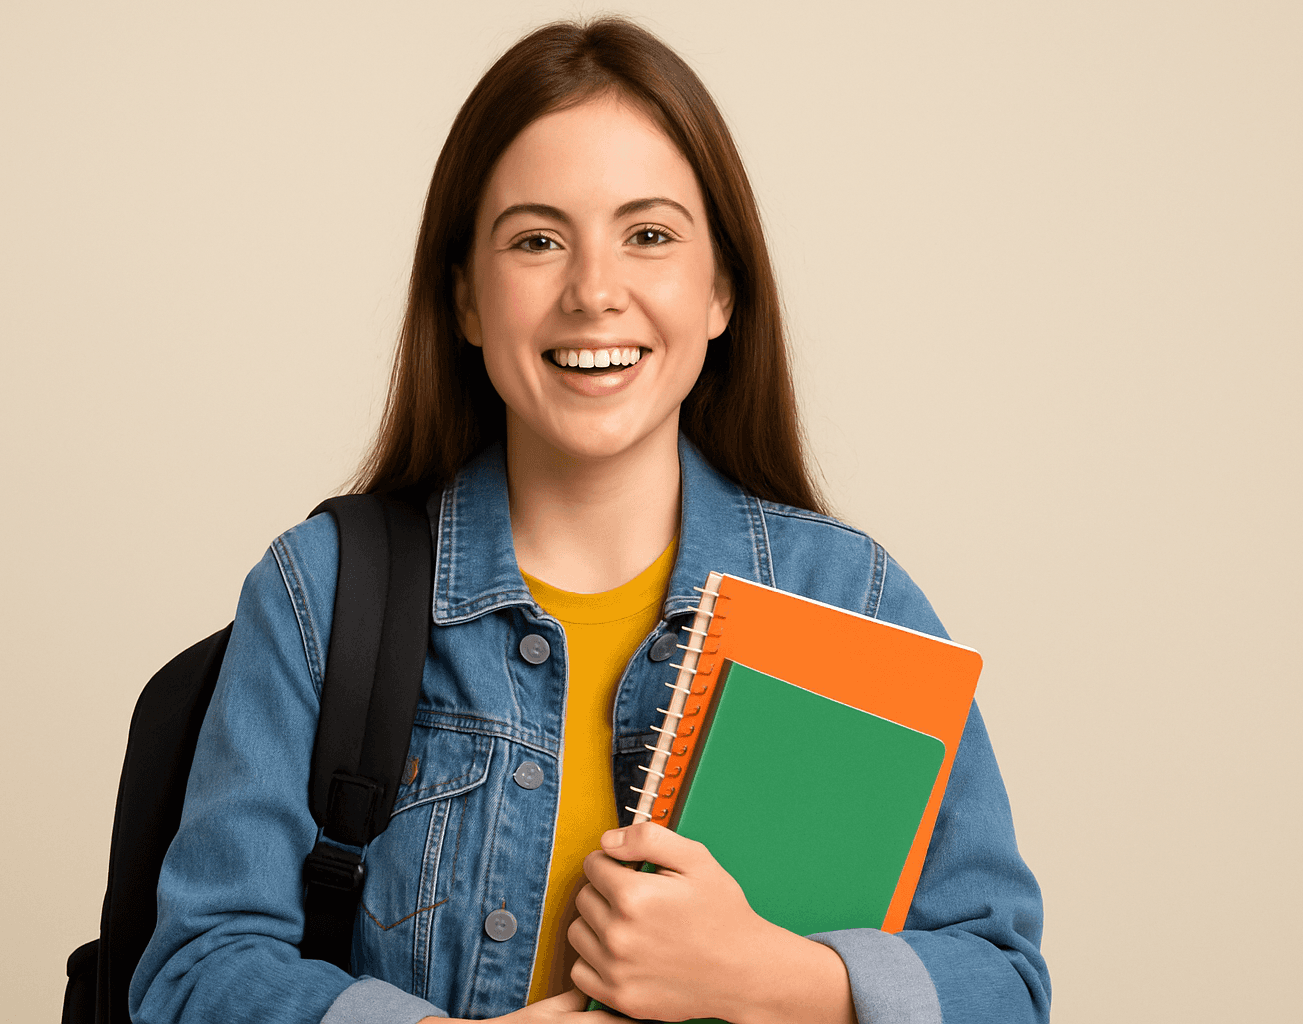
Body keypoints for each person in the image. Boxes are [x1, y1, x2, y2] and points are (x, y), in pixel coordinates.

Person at [131, 16, 1049, 1024]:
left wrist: (768, 978)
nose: (594, 291)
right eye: (536, 239)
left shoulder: (850, 600)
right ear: (469, 301)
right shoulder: (322, 592)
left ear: (722, 290)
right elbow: (196, 969)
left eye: (649, 235)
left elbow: (1005, 982)